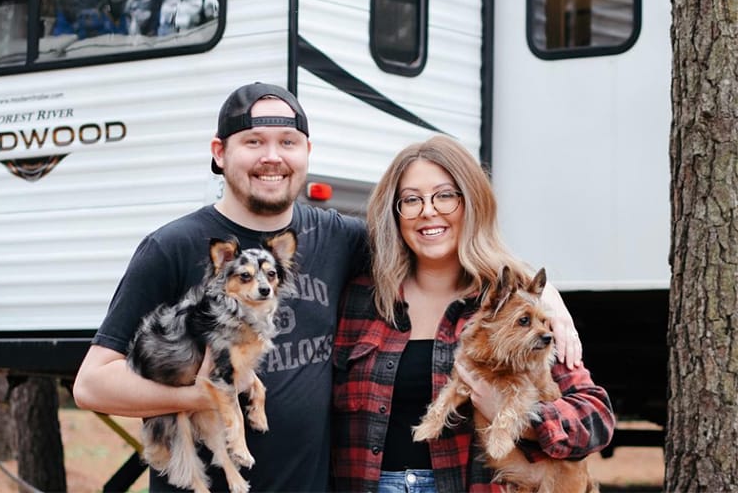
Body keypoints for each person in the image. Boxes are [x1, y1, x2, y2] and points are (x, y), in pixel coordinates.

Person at [74, 82, 582, 492]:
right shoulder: (172, 246)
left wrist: (545, 297)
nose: (272, 157)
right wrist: (202, 397)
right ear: (219, 153)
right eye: (253, 142)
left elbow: (441, 240)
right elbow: (92, 384)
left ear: (307, 152)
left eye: (287, 143)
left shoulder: (338, 238)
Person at [331, 135, 615, 493]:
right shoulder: (361, 297)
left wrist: (521, 418)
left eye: (445, 196)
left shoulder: (513, 308)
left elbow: (597, 418)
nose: (428, 211)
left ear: (472, 204)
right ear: (395, 212)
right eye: (411, 200)